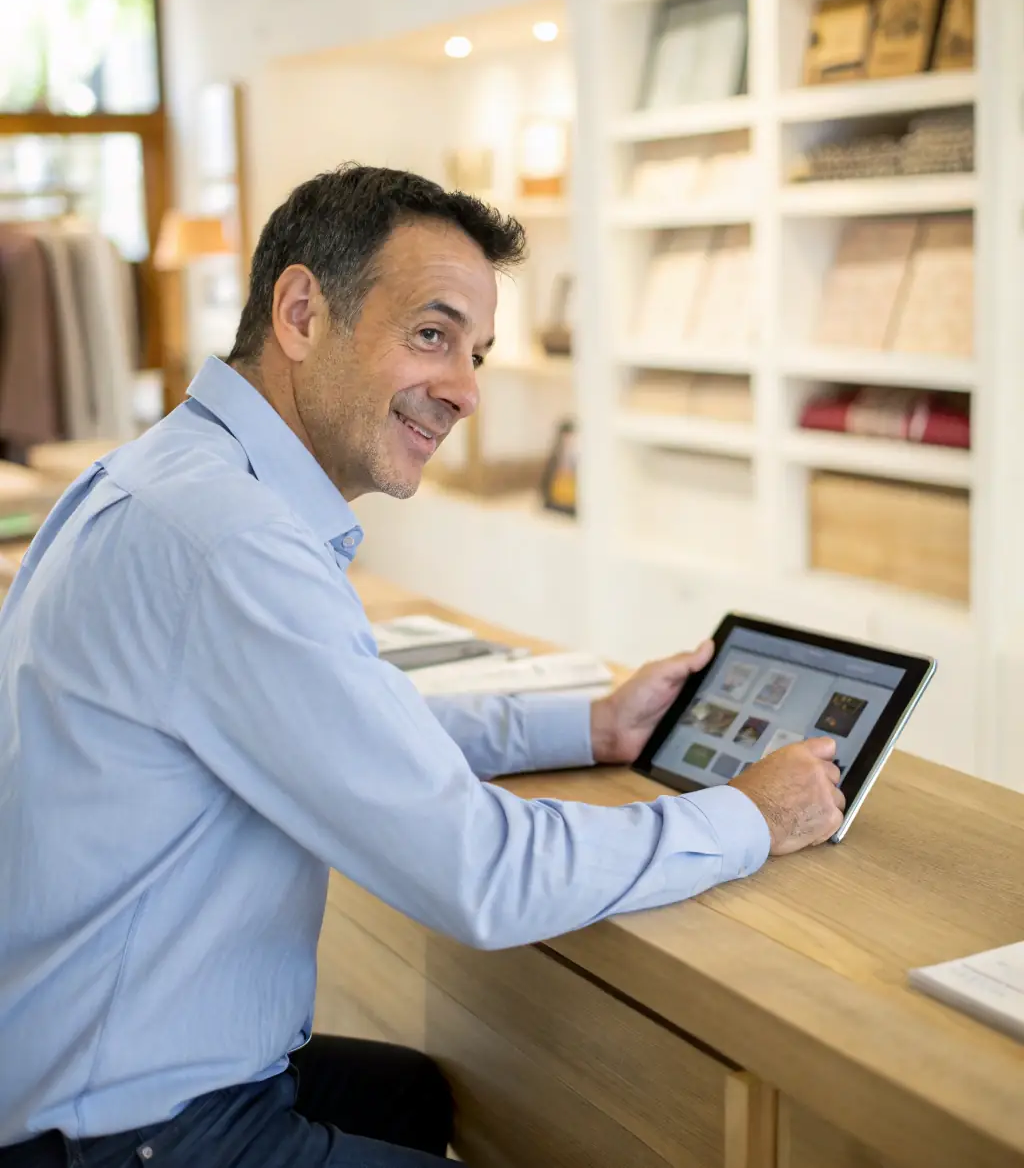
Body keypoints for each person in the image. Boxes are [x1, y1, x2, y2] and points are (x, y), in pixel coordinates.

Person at [0, 165, 844, 1167]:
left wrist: (589, 726)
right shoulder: (230, 541)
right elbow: (478, 872)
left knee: (414, 1095)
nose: (466, 392)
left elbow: (344, 729)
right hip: (118, 1127)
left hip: (73, 1053)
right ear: (302, 313)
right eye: (433, 335)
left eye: (475, 353)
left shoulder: (170, 474)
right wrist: (749, 815)